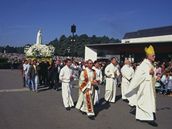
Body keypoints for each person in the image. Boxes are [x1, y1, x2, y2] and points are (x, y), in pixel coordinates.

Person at [125, 45, 158, 127]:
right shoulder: (143, 65)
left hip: (150, 87)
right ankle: (150, 119)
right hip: (144, 88)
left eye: (154, 55)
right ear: (148, 56)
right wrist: (148, 73)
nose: (154, 56)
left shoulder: (150, 64)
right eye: (153, 55)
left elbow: (152, 77)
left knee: (147, 102)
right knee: (146, 102)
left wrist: (155, 76)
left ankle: (142, 116)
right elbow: (138, 76)